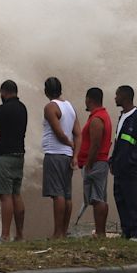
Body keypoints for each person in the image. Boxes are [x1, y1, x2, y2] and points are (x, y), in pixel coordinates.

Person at [0, 80, 27, 242]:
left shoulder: (3, 109)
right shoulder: (23, 109)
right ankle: (20, 235)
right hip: (19, 155)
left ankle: (5, 235)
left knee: (5, 196)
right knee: (16, 194)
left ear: (4, 92)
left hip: (4, 156)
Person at [109, 85, 137, 241]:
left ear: (125, 97)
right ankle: (126, 231)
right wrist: (112, 161)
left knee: (134, 200)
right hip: (120, 170)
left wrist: (131, 163)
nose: (115, 98)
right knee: (121, 199)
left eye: (117, 95)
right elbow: (119, 143)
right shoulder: (122, 117)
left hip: (133, 171)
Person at [42, 77, 81, 238]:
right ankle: (63, 232)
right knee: (66, 194)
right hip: (67, 156)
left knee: (57, 194)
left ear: (46, 91)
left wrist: (69, 144)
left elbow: (59, 133)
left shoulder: (51, 107)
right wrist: (75, 155)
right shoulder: (70, 107)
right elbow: (78, 133)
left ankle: (57, 233)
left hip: (55, 153)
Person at [77, 87, 113, 237]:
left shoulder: (97, 118)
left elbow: (96, 144)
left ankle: (100, 233)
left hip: (96, 163)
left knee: (97, 199)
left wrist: (89, 162)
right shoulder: (101, 116)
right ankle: (100, 232)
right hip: (99, 162)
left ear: (89, 99)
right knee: (97, 198)